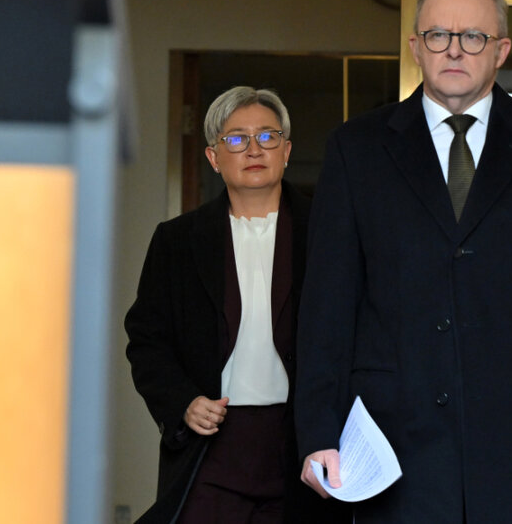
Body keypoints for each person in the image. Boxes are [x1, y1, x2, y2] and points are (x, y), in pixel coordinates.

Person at [295, 0, 512, 523]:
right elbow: (327, 304)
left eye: (472, 36)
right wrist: (317, 430)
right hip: (391, 446)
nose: (453, 49)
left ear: (501, 51)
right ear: (414, 47)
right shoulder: (356, 149)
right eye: (437, 35)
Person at [125, 86, 349, 524]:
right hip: (212, 447)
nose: (253, 149)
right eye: (235, 139)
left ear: (286, 151)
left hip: (303, 444)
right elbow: (147, 341)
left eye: (267, 137)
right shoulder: (177, 240)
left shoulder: (328, 231)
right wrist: (183, 401)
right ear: (213, 157)